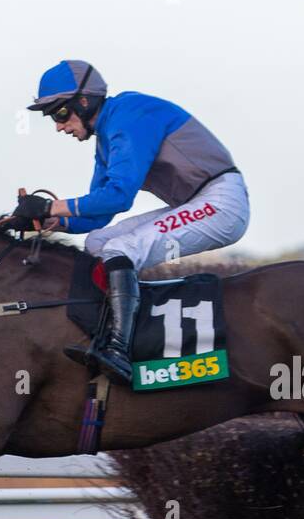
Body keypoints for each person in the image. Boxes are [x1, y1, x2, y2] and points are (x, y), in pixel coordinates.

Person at [13, 60, 249, 384]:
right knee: (98, 243)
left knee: (121, 248)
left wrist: (50, 205)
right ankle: (114, 331)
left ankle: (120, 350)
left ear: (84, 101)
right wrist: (51, 221)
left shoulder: (128, 114)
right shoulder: (107, 136)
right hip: (198, 201)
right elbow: (100, 214)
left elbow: (119, 196)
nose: (58, 126)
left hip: (222, 202)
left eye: (60, 114)